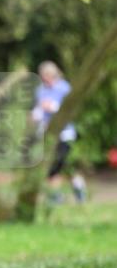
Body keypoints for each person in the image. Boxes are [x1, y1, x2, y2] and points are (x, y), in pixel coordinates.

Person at [31, 61, 85, 204]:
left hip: (65, 134)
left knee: (57, 165)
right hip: (47, 134)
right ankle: (71, 192)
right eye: (42, 76)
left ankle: (58, 197)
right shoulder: (41, 90)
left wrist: (53, 107)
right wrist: (35, 115)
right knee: (63, 166)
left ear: (53, 74)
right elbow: (39, 110)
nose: (44, 78)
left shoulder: (64, 88)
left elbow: (71, 110)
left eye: (46, 75)